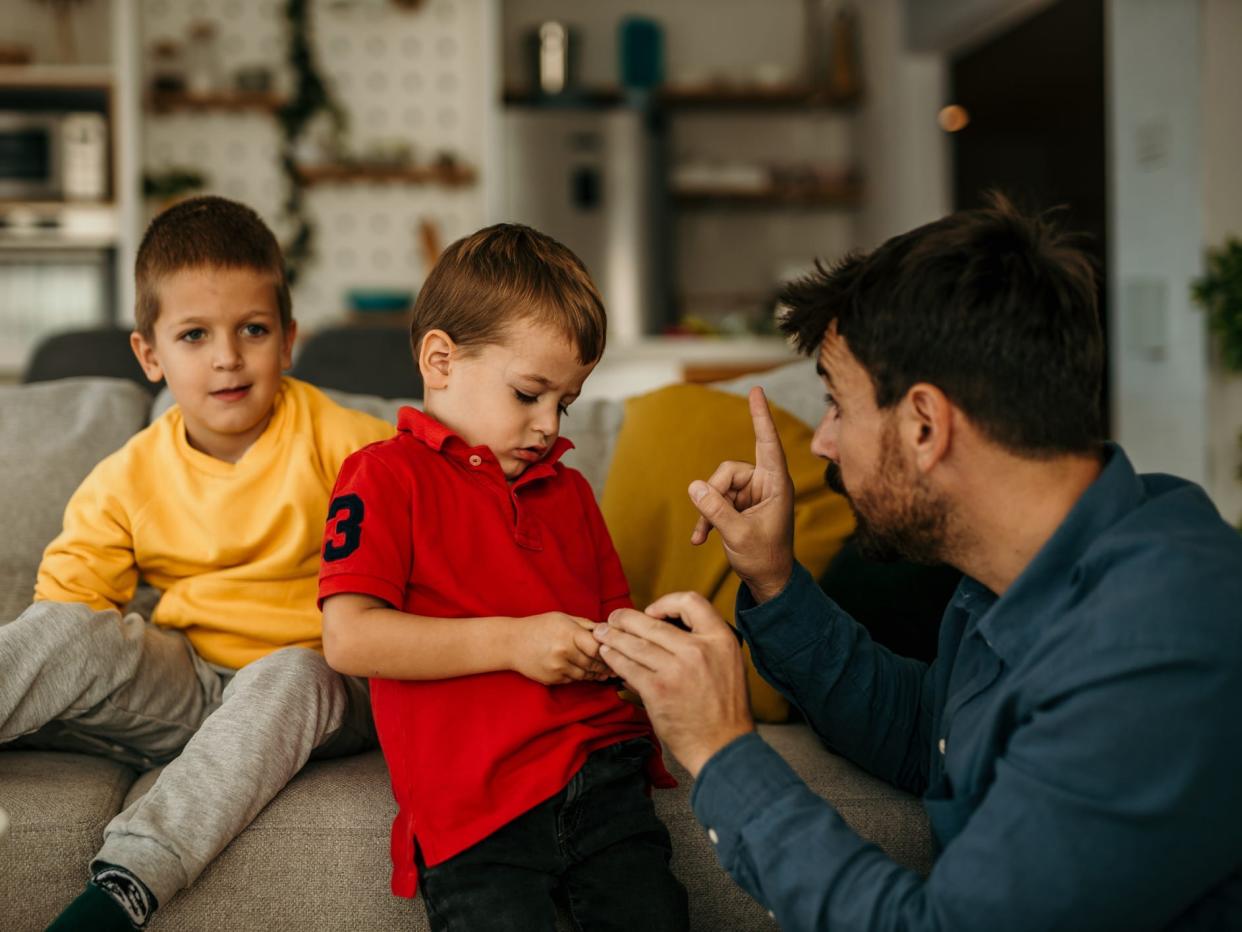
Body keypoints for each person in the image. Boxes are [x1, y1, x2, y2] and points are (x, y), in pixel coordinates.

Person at [593, 197, 1242, 931]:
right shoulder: (1017, 574)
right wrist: (774, 581)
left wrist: (720, 748)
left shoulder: (1153, 653)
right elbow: (924, 735)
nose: (823, 443)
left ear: (926, 425)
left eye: (837, 406)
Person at [0, 196, 394, 931]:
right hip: (194, 684)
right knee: (65, 628)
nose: (227, 357)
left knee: (289, 670)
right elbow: (70, 615)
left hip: (319, 686)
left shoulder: (353, 445)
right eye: (194, 334)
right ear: (151, 355)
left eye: (252, 329)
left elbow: (450, 512)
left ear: (288, 339)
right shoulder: (128, 476)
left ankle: (121, 891)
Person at [318, 223, 689, 932]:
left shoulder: (570, 493)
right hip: (475, 815)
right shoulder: (383, 477)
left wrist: (650, 643)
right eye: (528, 394)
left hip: (606, 786)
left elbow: (614, 627)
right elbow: (349, 639)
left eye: (566, 403)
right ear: (439, 361)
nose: (548, 425)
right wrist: (516, 643)